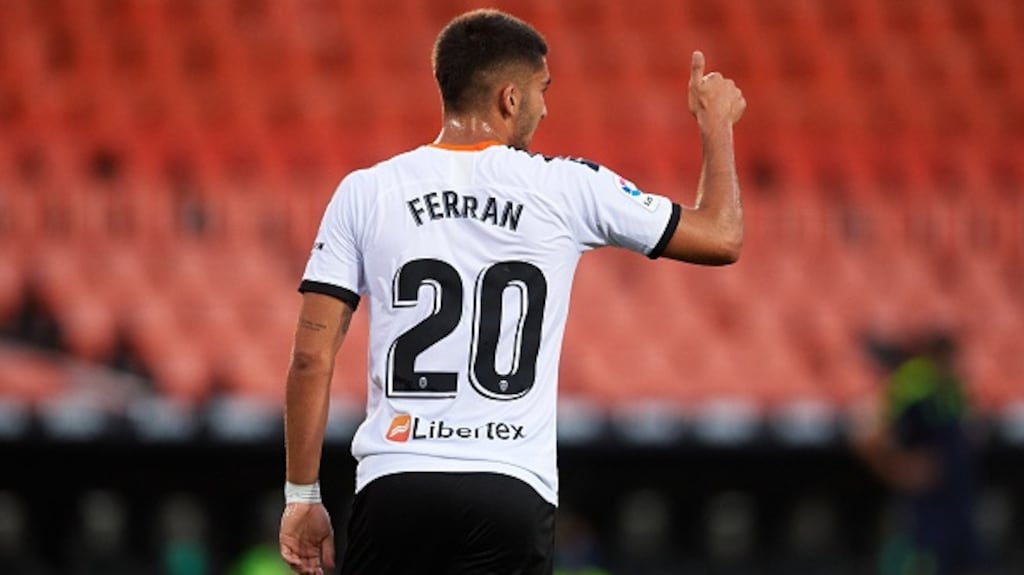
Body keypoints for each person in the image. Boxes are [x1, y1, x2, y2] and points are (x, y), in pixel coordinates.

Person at [279, 9, 746, 575]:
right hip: (509, 487)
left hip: (396, 484)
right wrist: (716, 125)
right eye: (542, 90)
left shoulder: (365, 192)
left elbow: (310, 358)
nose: (547, 107)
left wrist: (302, 497)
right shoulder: (568, 187)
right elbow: (721, 237)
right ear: (509, 98)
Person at [853, 331, 981, 575]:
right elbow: (865, 432)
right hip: (925, 515)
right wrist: (897, 468)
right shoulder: (913, 382)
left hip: (959, 508)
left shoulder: (953, 387)